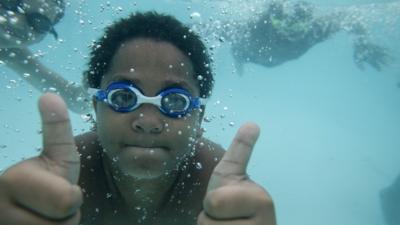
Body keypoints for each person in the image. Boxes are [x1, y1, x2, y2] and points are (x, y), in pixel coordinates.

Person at [0, 11, 276, 225]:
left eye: (175, 101)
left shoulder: (216, 187)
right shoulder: (64, 179)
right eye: (123, 98)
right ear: (96, 108)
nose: (147, 121)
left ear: (199, 118)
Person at [201, 0, 393, 75]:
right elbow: (213, 28)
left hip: (274, 60)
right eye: (280, 22)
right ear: (271, 18)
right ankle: (239, 61)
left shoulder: (315, 30)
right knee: (239, 51)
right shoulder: (255, 27)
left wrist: (363, 44)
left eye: (297, 23)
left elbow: (350, 19)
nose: (289, 30)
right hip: (247, 54)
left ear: (308, 21)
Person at [0, 0, 90, 114]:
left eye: (40, 24)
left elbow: (77, 102)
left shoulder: (9, 51)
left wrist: (94, 88)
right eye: (10, 3)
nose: (17, 22)